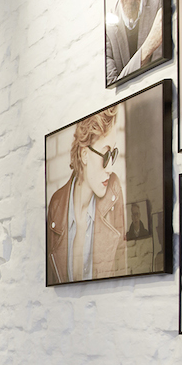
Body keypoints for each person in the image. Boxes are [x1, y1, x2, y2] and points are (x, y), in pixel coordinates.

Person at [47, 107, 127, 284]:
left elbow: (122, 274)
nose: (110, 168)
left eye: (113, 154)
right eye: (106, 155)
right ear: (84, 155)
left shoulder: (113, 193)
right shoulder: (56, 205)